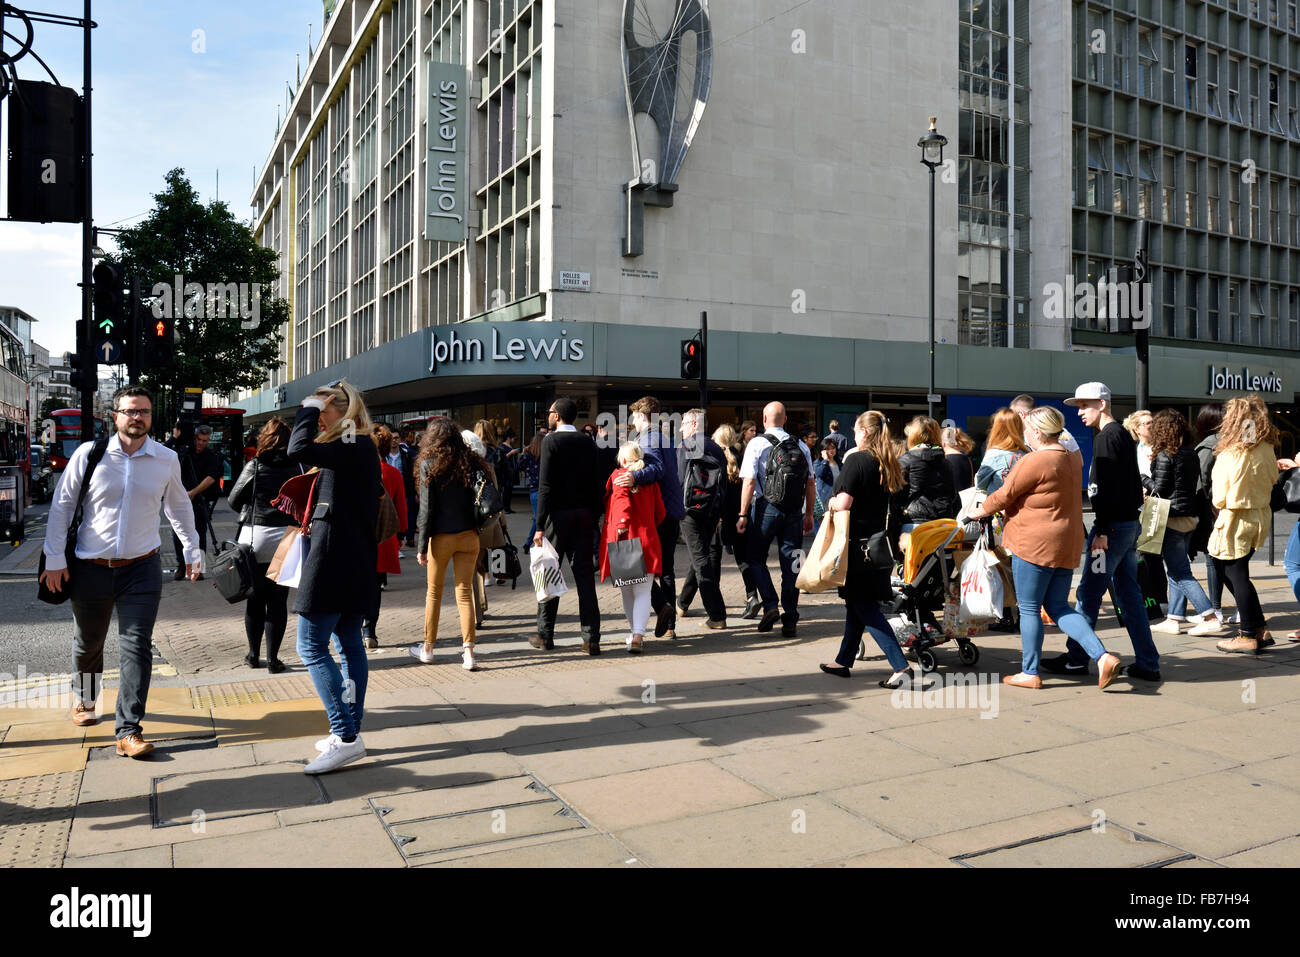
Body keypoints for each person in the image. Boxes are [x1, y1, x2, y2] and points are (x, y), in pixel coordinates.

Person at [40, 385, 201, 758]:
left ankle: (128, 730)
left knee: (136, 646)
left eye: (143, 411)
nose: (137, 417)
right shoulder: (90, 454)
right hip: (90, 567)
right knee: (89, 643)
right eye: (130, 411)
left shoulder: (165, 458)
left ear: (150, 416)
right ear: (116, 416)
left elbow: (178, 507)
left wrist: (192, 549)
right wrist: (54, 558)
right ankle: (85, 698)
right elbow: (62, 506)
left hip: (142, 567)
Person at [970, 407, 1123, 690]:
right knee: (1058, 606)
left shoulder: (1036, 460)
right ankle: (1102, 657)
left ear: (1037, 432)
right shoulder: (1070, 458)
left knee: (1029, 608)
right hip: (1066, 542)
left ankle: (1029, 671)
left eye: (1027, 429)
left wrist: (978, 511)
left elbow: (1004, 494)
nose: (1024, 433)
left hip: (1034, 542)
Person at [289, 380, 381, 774]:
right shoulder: (359, 446)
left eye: (323, 412)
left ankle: (345, 736)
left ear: (341, 412)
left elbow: (297, 448)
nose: (317, 418)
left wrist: (307, 408)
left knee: (310, 646)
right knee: (348, 644)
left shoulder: (351, 443)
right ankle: (349, 731)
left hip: (333, 559)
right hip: (354, 559)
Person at [1042, 382, 1159, 681]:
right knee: (1129, 594)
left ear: (1102, 404)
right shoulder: (1118, 434)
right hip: (1126, 526)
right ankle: (1147, 662)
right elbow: (1127, 486)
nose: (1080, 412)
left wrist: (1102, 530)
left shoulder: (1107, 437)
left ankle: (1077, 658)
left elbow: (1106, 489)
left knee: (1089, 592)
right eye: (1078, 406)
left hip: (1112, 529)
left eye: (1085, 405)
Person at [818, 411, 912, 687]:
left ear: (865, 433)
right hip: (879, 546)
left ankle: (900, 666)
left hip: (857, 546)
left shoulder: (857, 460)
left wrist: (832, 503)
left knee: (864, 606)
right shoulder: (889, 463)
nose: (854, 435)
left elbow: (844, 502)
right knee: (858, 604)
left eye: (857, 431)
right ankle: (843, 660)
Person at [531, 397, 604, 654]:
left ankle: (545, 634)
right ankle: (591, 638)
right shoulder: (587, 441)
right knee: (585, 579)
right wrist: (595, 517)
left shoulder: (551, 441)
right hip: (584, 516)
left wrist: (539, 525)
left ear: (557, 416)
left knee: (549, 571)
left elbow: (545, 487)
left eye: (550, 411)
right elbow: (597, 482)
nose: (548, 415)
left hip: (557, 518)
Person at [737, 401, 816, 636]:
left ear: (763, 419)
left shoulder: (757, 443)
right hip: (793, 511)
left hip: (765, 508)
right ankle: (790, 618)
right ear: (785, 420)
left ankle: (770, 605)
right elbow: (810, 482)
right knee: (791, 564)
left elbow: (749, 482)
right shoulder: (801, 445)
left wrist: (742, 514)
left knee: (755, 558)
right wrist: (809, 513)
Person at [410, 418, 483, 670]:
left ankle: (428, 648)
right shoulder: (470, 462)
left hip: (441, 538)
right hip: (469, 536)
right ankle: (469, 653)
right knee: (464, 594)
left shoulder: (429, 464)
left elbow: (426, 511)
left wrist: (420, 547)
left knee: (434, 593)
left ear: (431, 438)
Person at [1209, 395, 1279, 654]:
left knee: (1235, 574)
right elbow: (1273, 478)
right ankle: (1258, 628)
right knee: (1236, 572)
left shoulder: (1232, 451)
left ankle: (1248, 633)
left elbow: (1219, 494)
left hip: (1234, 517)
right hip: (1259, 514)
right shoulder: (1266, 447)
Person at [227, 417, 298, 672]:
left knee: (254, 599)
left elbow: (234, 500)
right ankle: (275, 660)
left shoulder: (254, 465)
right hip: (287, 537)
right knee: (278, 601)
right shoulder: (299, 465)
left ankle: (253, 655)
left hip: (255, 537)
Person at [613, 396, 685, 638]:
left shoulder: (650, 438)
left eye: (634, 415)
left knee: (640, 568)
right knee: (663, 569)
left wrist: (634, 477)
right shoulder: (660, 437)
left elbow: (656, 469)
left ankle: (664, 612)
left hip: (659, 514)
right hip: (668, 511)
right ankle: (668, 621)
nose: (632, 420)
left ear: (642, 416)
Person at [1145, 410, 1217, 645]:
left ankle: (1208, 616)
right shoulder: (1189, 452)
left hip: (1172, 518)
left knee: (1180, 572)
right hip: (1189, 517)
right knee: (1177, 569)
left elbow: (1161, 490)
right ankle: (1174, 618)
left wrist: (1143, 478)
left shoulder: (1166, 455)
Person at [599, 443, 666, 653]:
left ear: (624, 459)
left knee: (628, 592)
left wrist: (621, 524)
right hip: (648, 538)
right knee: (643, 591)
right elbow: (661, 513)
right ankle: (638, 634)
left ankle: (634, 634)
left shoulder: (620, 476)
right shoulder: (649, 481)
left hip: (626, 539)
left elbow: (621, 504)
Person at [675, 409, 728, 628]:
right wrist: (719, 513)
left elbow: (678, 479)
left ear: (694, 425)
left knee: (700, 561)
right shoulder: (717, 448)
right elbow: (723, 485)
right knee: (701, 555)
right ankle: (683, 602)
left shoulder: (687, 446)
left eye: (684, 424)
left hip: (690, 511)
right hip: (711, 511)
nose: (680, 428)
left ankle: (717, 616)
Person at [363, 425, 408, 649]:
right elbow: (401, 507)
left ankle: (355, 626)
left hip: (357, 534)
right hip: (383, 536)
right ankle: (369, 630)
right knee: (374, 586)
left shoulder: (357, 471)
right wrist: (401, 534)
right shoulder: (393, 473)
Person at [714, 424, 760, 619]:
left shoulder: (716, 459)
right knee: (743, 560)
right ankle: (752, 596)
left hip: (721, 518)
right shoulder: (740, 458)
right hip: (741, 515)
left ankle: (714, 607)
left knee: (711, 561)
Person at [169, 424, 222, 578]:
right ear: (194, 438)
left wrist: (193, 492)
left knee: (199, 534)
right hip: (180, 499)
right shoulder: (184, 452)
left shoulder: (212, 456)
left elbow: (211, 477)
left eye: (205, 441)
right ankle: (181, 566)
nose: (201, 443)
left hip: (199, 500)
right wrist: (174, 438)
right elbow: (166, 455)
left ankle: (198, 569)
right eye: (199, 439)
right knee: (178, 532)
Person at [897, 416, 959, 524]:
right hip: (943, 521)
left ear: (913, 436)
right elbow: (953, 496)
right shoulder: (946, 463)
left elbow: (896, 496)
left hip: (913, 521)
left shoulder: (905, 461)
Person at [975, 408, 1029, 494]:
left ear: (997, 429)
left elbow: (979, 484)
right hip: (1023, 504)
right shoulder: (1029, 453)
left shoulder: (994, 454)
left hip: (999, 504)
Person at [517, 432, 543, 547]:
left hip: (534, 489)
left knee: (538, 517)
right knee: (539, 517)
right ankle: (529, 542)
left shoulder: (528, 454)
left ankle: (530, 542)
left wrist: (523, 453)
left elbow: (518, 467)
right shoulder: (546, 454)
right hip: (544, 488)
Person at [812, 438, 841, 536]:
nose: (831, 451)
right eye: (828, 449)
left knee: (836, 526)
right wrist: (825, 460)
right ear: (823, 450)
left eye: (833, 448)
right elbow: (820, 473)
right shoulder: (818, 463)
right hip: (824, 499)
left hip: (837, 498)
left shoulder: (839, 462)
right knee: (824, 528)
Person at [940, 425, 976, 494]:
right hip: (967, 502)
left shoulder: (941, 462)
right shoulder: (971, 462)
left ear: (943, 443)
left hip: (948, 503)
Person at [400, 428, 419, 547]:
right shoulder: (411, 453)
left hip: (407, 489)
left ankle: (408, 537)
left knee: (408, 513)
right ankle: (405, 537)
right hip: (401, 489)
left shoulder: (408, 454)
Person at [1123, 409, 1155, 477]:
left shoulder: (1162, 446)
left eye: (1153, 422)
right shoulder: (1132, 450)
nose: (1152, 425)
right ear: (1136, 429)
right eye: (1148, 423)